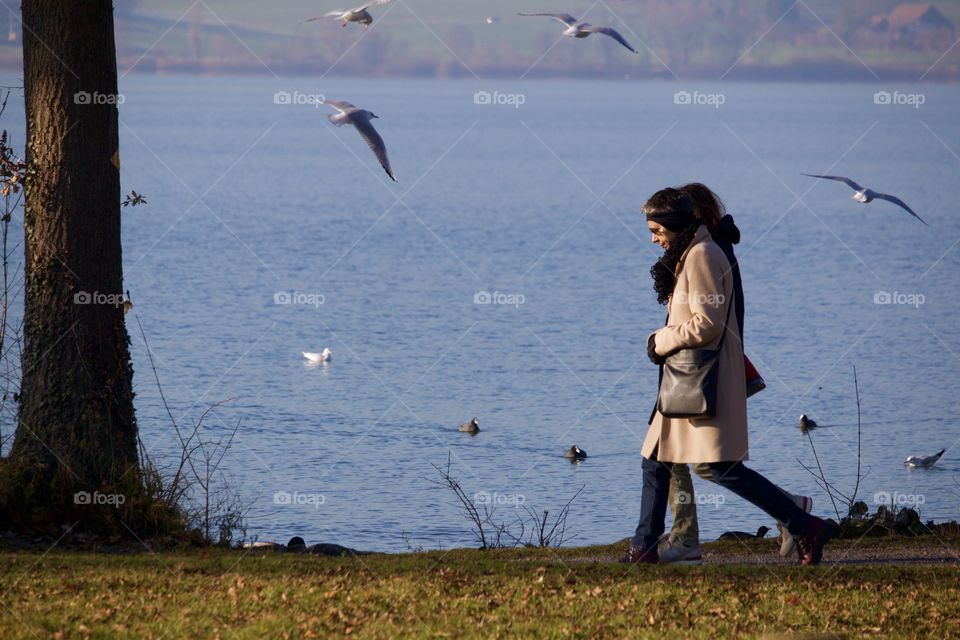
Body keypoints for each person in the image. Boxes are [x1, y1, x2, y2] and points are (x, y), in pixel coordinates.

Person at [623, 187, 834, 566]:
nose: (653, 238)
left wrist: (659, 340)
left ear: (672, 225)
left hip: (699, 378)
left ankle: (803, 523)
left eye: (656, 229)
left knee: (718, 468)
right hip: (686, 377)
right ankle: (645, 547)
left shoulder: (702, 255)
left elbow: (708, 323)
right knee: (658, 460)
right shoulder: (691, 253)